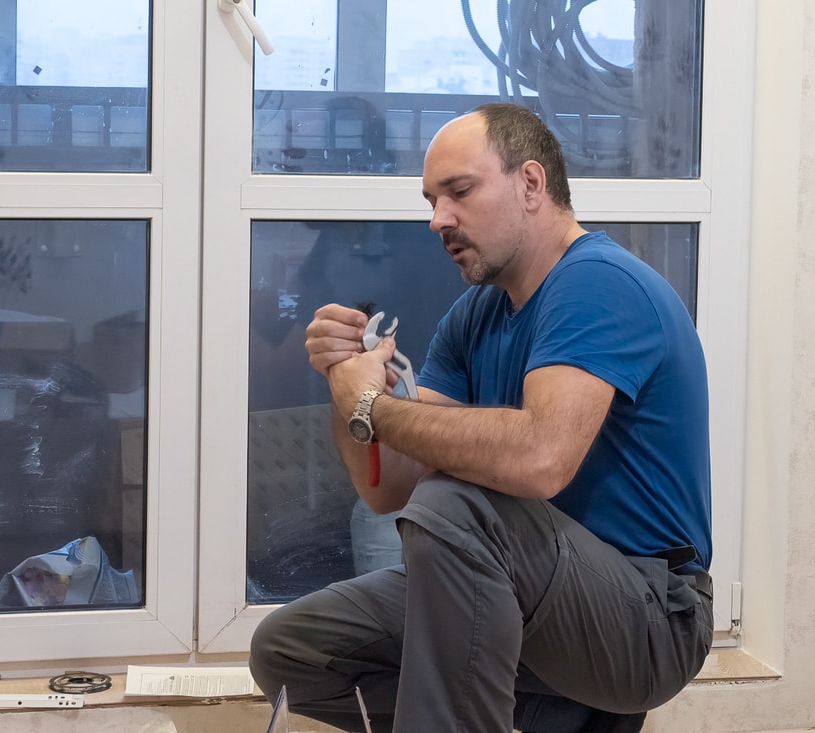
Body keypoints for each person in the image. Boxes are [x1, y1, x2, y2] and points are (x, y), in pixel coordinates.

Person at [249, 103, 714, 733]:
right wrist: (347, 386)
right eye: (431, 201)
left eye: (459, 192)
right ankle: (560, 716)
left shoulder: (598, 283)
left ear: (531, 184)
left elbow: (540, 460)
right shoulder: (476, 315)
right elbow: (390, 487)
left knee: (458, 501)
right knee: (290, 651)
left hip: (649, 619)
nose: (438, 219)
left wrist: (373, 407)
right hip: (527, 598)